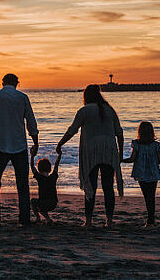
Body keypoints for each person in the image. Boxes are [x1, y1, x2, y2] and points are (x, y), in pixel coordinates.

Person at [56, 84, 124, 228]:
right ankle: (109, 221)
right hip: (109, 150)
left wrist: (60, 144)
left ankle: (88, 221)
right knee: (108, 187)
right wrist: (120, 153)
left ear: (86, 96)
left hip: (91, 151)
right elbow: (119, 133)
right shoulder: (109, 110)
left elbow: (72, 130)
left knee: (90, 185)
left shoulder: (84, 111)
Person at [0, 73, 38, 227]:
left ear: (2, 82)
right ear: (17, 83)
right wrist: (35, 141)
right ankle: (24, 218)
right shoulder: (22, 97)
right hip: (19, 144)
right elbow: (31, 121)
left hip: (1, 144)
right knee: (22, 184)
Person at [122, 121, 160, 227]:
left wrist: (120, 160)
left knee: (146, 196)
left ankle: (150, 221)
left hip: (141, 173)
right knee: (151, 196)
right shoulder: (155, 145)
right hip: (153, 173)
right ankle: (151, 220)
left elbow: (132, 159)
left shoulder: (137, 144)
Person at [30, 152, 61, 225]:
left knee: (33, 202)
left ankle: (38, 218)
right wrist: (59, 155)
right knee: (42, 206)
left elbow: (32, 167)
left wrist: (32, 156)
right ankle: (48, 220)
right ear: (50, 168)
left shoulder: (40, 177)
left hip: (44, 203)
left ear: (39, 169)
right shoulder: (53, 177)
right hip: (53, 203)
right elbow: (56, 165)